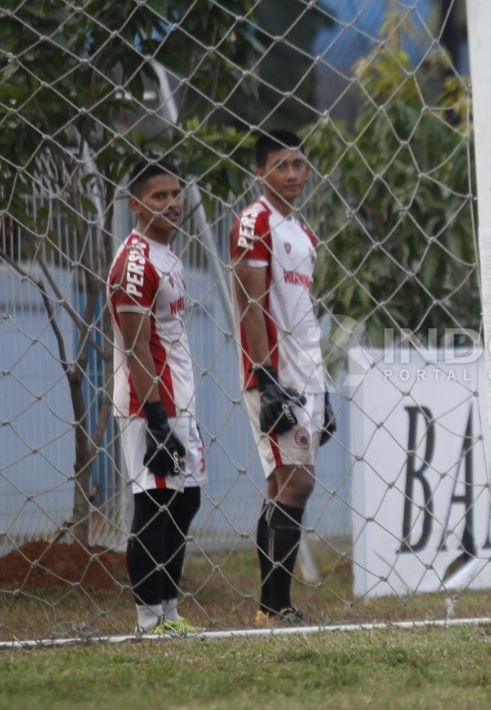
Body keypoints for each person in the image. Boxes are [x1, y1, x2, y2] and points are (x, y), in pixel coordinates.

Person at [230, 129, 335, 627]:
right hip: (274, 377)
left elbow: (305, 314)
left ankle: (272, 606)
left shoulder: (302, 233)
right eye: (282, 165)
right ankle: (274, 606)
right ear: (260, 172)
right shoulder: (255, 222)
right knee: (296, 484)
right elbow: (249, 302)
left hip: (306, 374)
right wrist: (266, 376)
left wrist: (324, 387)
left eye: (298, 164)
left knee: (284, 486)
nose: (293, 174)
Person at [108, 158, 205, 635]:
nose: (171, 203)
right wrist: (157, 417)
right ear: (136, 206)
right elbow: (135, 344)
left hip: (179, 398)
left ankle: (169, 611)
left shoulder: (168, 253)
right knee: (156, 501)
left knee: (186, 502)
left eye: (175, 194)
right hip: (149, 402)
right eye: (158, 196)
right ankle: (149, 619)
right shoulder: (135, 261)